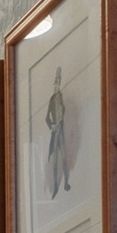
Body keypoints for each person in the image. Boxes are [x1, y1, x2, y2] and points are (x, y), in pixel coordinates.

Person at [46, 66, 70, 197]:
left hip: (61, 131)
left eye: (58, 84)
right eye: (55, 84)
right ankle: (55, 187)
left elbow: (63, 112)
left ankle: (66, 183)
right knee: (55, 159)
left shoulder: (61, 98)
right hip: (55, 131)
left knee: (64, 157)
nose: (56, 87)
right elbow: (47, 118)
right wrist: (52, 126)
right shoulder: (51, 100)